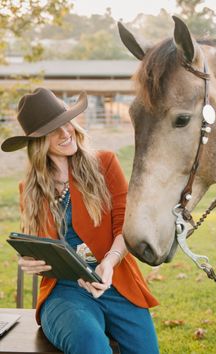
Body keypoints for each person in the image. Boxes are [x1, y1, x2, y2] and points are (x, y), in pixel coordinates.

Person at [1, 87, 160, 354]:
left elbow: (124, 226)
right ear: (38, 141)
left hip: (115, 280)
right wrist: (29, 261)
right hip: (64, 292)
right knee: (90, 344)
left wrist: (108, 263)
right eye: (54, 129)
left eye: (67, 123)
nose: (66, 132)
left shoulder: (105, 164)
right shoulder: (29, 188)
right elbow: (39, 245)